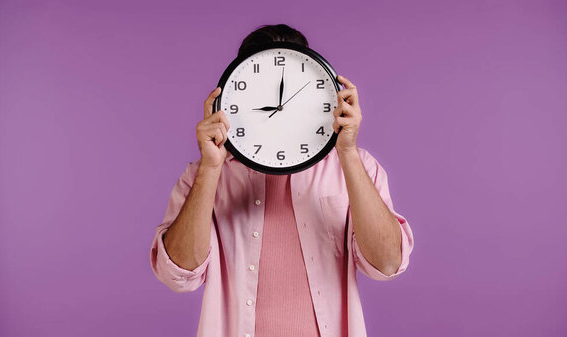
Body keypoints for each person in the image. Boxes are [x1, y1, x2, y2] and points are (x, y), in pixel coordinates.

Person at [149, 24, 414, 337]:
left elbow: (387, 264)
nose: (280, 109)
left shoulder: (355, 166)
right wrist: (210, 168)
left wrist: (348, 153)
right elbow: (178, 274)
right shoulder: (204, 173)